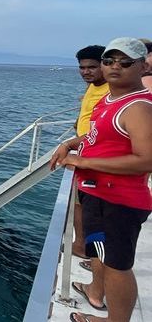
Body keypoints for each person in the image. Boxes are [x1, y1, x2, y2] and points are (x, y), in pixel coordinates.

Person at [51, 37, 152, 322]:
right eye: (109, 61)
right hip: (98, 193)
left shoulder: (138, 107)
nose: (114, 67)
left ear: (143, 66)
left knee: (117, 266)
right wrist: (72, 143)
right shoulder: (111, 99)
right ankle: (98, 297)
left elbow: (147, 159)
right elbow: (100, 136)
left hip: (117, 200)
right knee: (101, 256)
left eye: (125, 62)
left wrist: (82, 160)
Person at [72, 45, 109, 260]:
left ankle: (84, 248)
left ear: (104, 65)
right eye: (82, 67)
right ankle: (82, 245)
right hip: (85, 153)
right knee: (80, 203)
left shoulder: (110, 91)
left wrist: (70, 145)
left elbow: (104, 131)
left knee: (86, 206)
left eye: (92, 67)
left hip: (95, 158)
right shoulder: (92, 87)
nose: (86, 71)